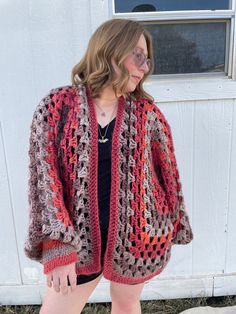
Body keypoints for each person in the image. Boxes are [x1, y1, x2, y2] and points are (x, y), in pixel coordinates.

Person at [24, 18, 193, 314]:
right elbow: (45, 184)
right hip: (76, 243)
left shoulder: (147, 114)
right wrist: (57, 245)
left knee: (126, 304)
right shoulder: (56, 107)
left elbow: (168, 177)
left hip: (137, 240)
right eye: (138, 55)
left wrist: (170, 225)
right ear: (111, 49)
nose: (145, 67)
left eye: (148, 59)